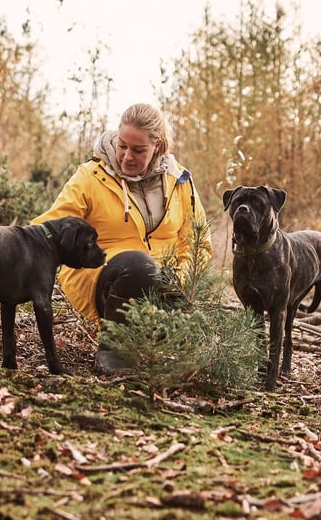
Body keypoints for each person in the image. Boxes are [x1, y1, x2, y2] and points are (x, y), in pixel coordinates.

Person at [32, 103, 212, 369]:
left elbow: (198, 244)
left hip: (163, 283)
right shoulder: (91, 176)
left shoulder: (179, 180)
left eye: (138, 150)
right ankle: (113, 352)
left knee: (196, 342)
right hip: (103, 274)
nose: (127, 156)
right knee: (139, 266)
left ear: (158, 146)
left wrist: (180, 283)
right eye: (122, 145)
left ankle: (150, 345)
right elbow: (51, 226)